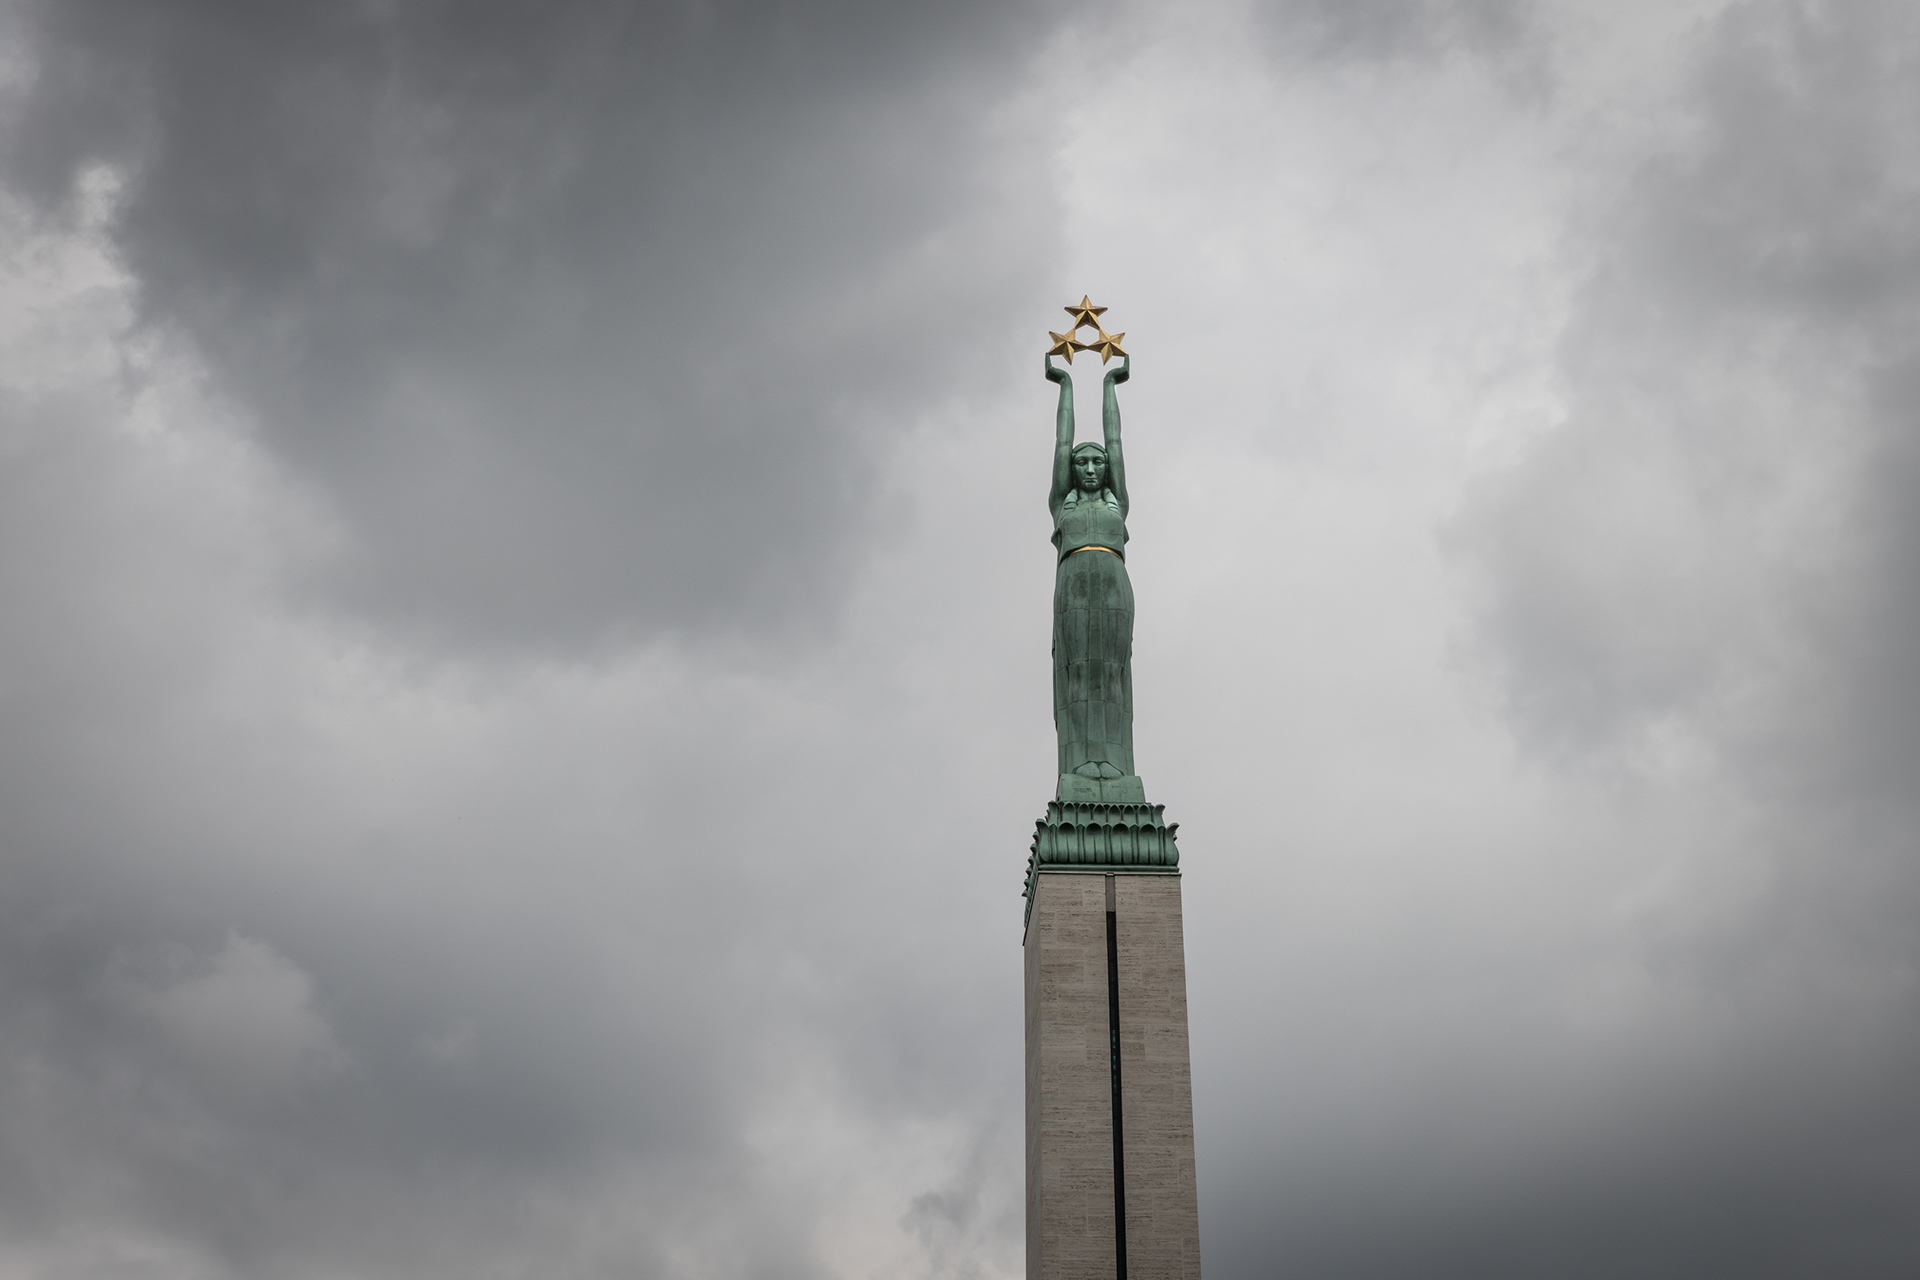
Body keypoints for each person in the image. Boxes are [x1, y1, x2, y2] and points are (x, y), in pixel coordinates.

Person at [1045, 352, 1134, 782]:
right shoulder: (1063, 503)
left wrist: (1109, 385)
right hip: (1074, 583)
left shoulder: (1120, 505)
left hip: (1114, 584)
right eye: (1083, 462)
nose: (1093, 467)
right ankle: (1081, 762)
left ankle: (1114, 764)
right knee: (1079, 671)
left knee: (1112, 673)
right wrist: (1065, 384)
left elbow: (1115, 442)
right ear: (1071, 470)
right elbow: (1063, 443)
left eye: (1098, 462)